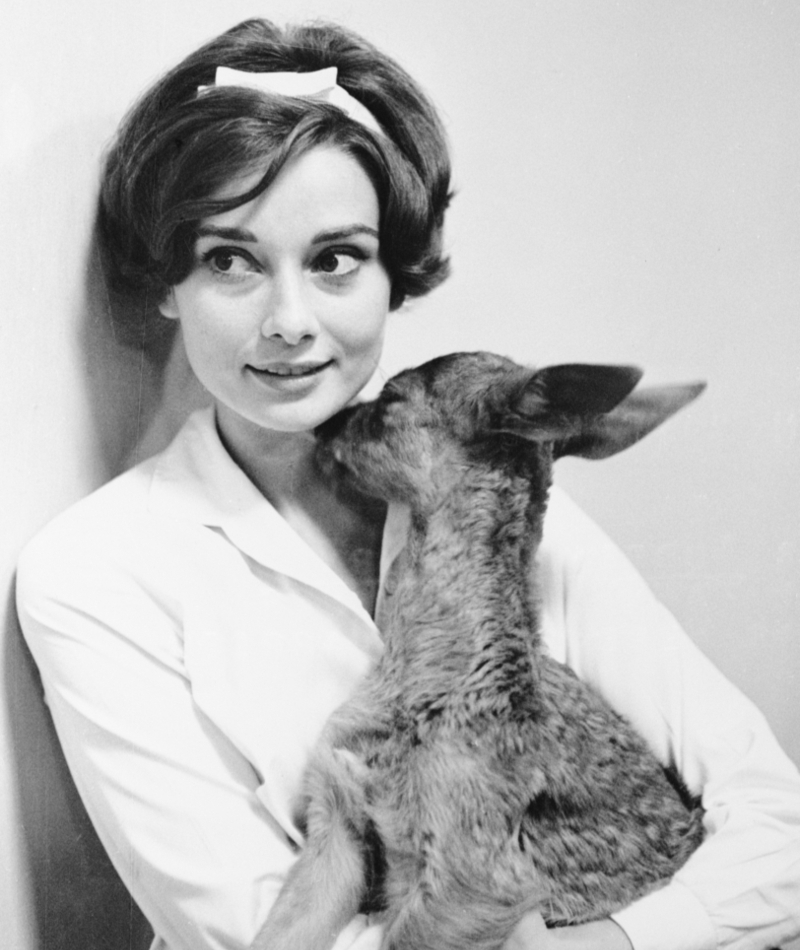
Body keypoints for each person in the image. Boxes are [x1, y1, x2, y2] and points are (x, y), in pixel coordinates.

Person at [15, 17, 800, 950]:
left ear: (395, 276)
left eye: (335, 259)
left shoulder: (501, 500)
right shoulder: (95, 574)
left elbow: (777, 827)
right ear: (166, 284)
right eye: (231, 260)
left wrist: (616, 943)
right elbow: (241, 928)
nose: (290, 322)